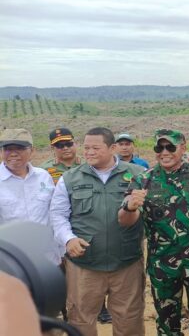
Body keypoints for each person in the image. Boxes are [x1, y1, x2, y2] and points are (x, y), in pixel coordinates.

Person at [118, 129, 189, 336]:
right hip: (162, 267)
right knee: (167, 325)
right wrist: (130, 207)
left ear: (183, 148)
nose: (164, 152)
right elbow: (124, 220)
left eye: (170, 147)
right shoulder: (143, 181)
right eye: (160, 147)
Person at [49, 127, 146, 336]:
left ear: (112, 148)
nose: (89, 152)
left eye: (95, 148)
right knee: (81, 319)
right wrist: (68, 239)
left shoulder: (138, 175)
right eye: (86, 148)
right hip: (84, 265)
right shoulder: (70, 178)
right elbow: (57, 215)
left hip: (126, 262)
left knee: (129, 320)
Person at [0, 129, 60, 264]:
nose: (13, 153)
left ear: (32, 151)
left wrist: (61, 252)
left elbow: (54, 214)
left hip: (47, 258)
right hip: (11, 262)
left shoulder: (44, 176)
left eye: (20, 148)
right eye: (8, 149)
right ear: (1, 152)